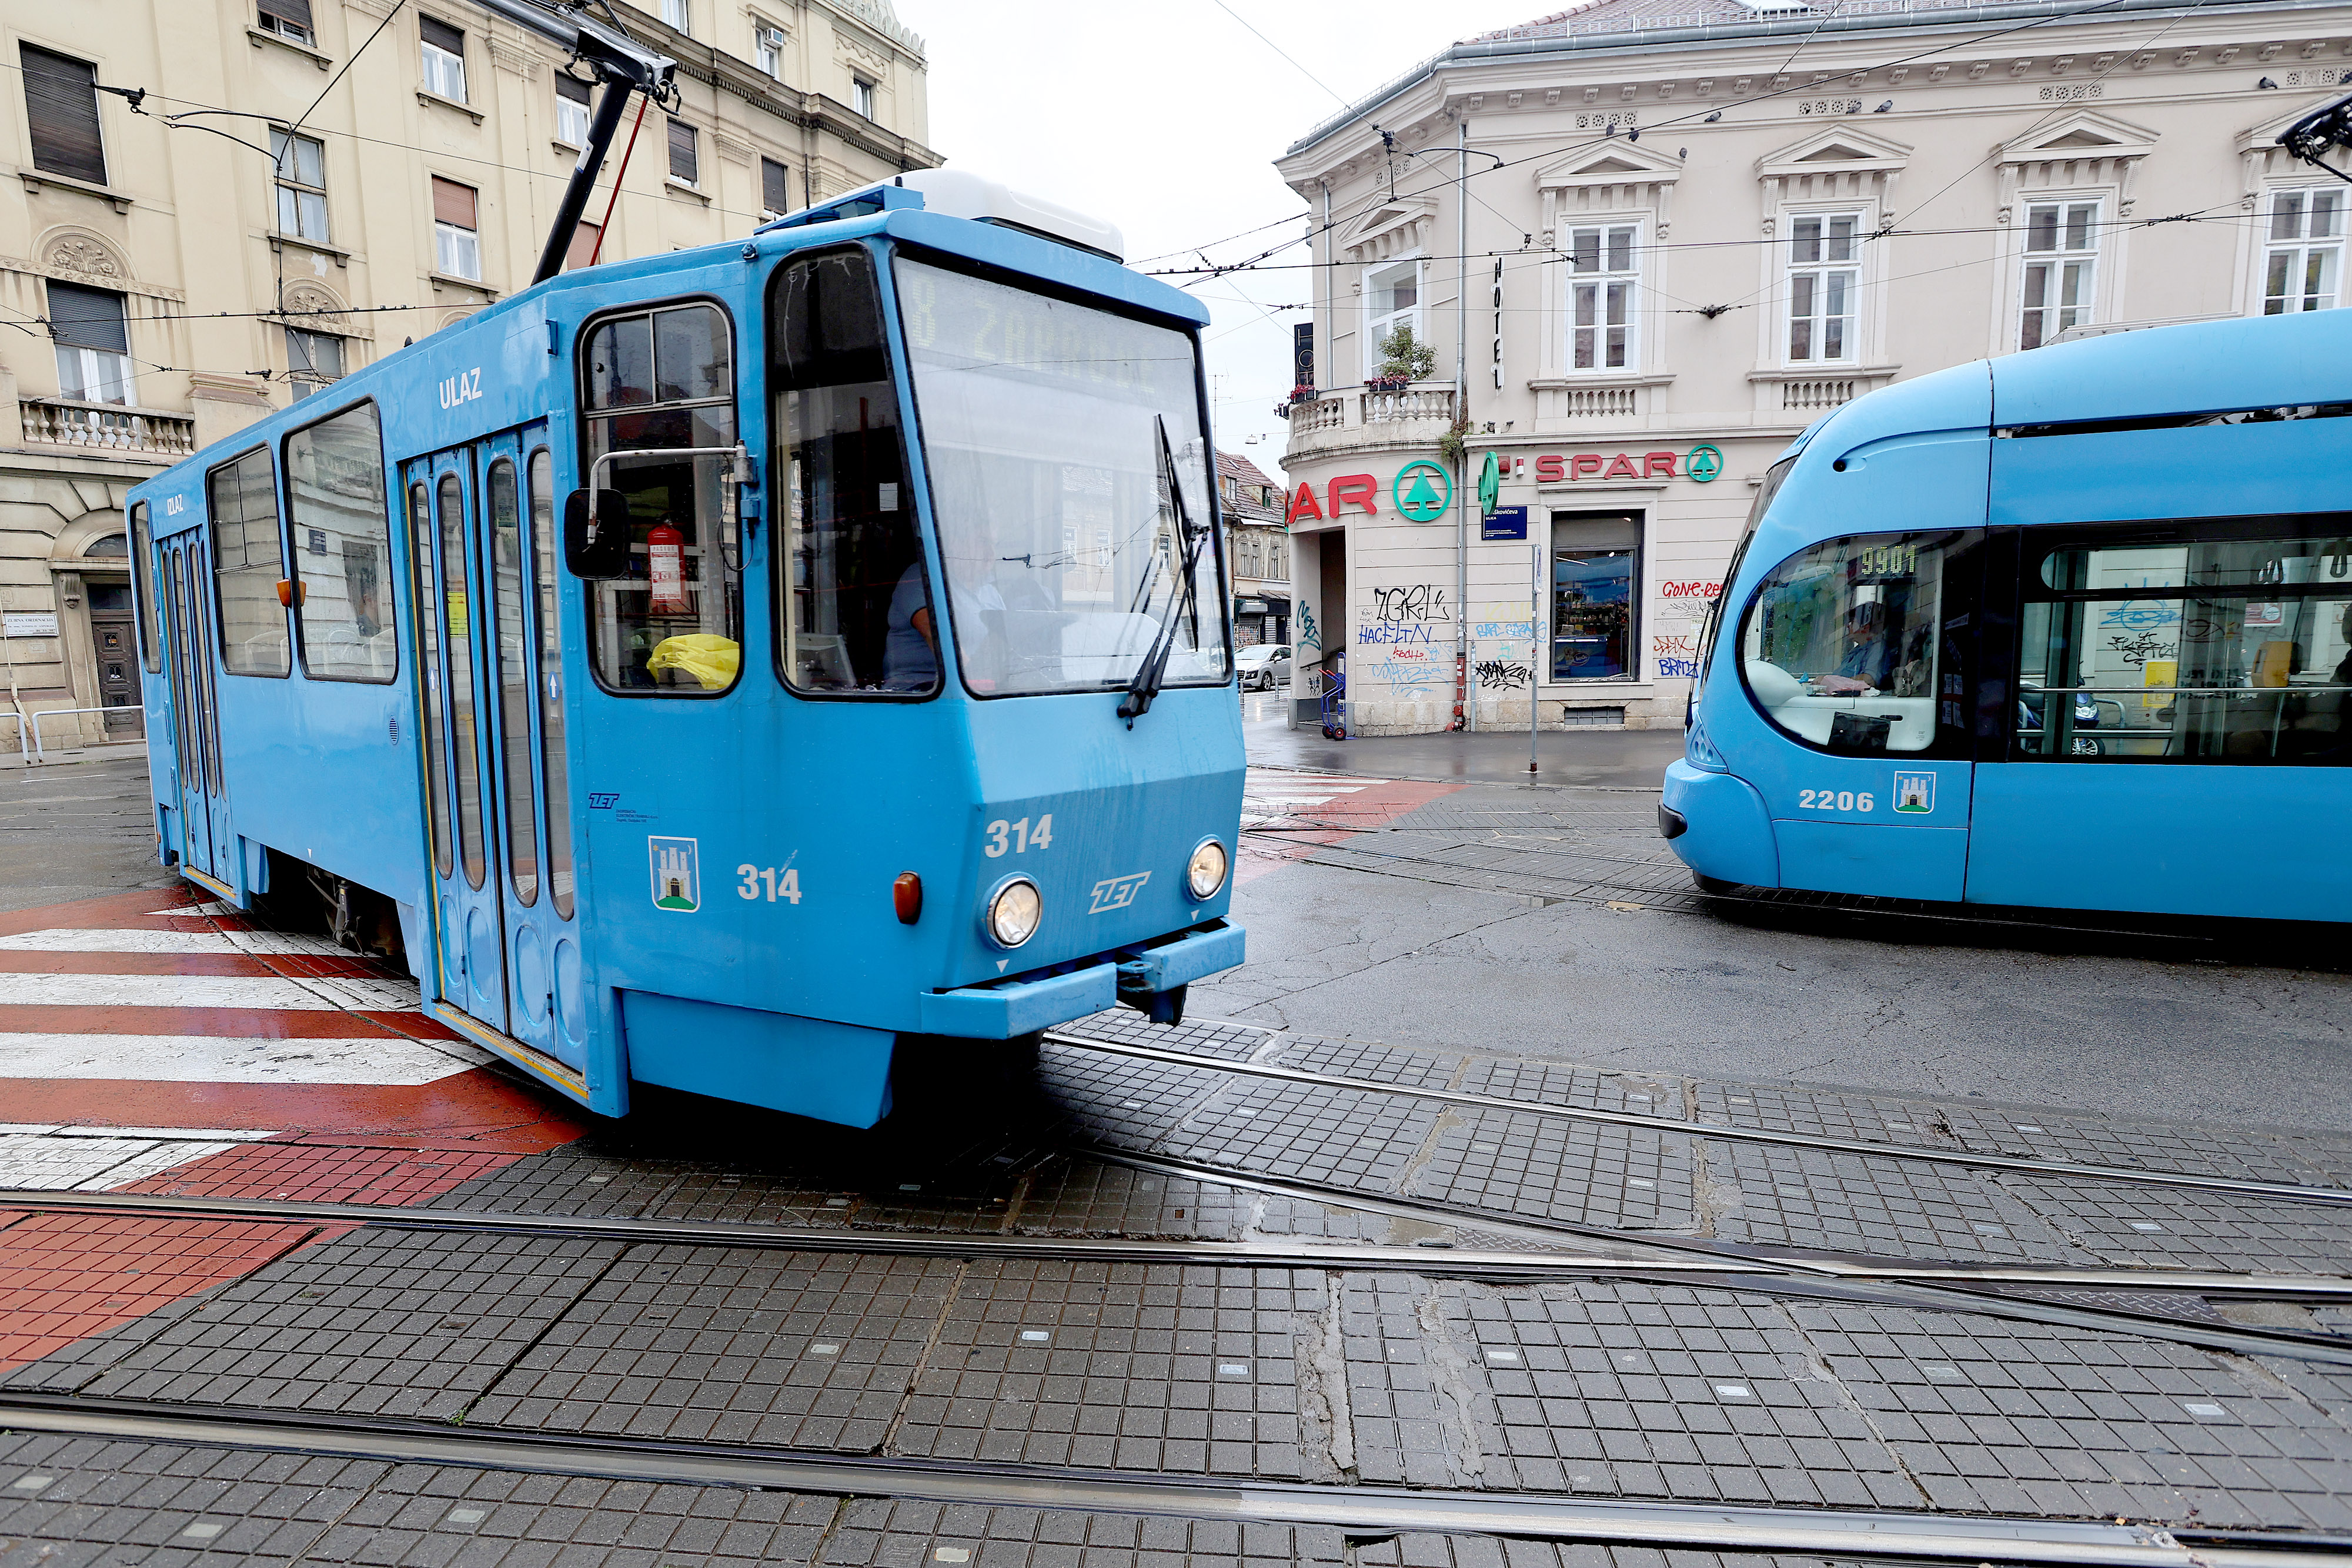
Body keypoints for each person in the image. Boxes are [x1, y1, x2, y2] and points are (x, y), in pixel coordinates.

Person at [1815, 598, 1897, 694]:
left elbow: (1869, 679)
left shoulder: (1878, 647)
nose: (1848, 627)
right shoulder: (1856, 651)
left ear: (1865, 627)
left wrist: (1831, 681)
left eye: (1852, 623)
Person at [883, 560, 938, 690]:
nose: (991, 554)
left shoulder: (989, 590)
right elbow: (933, 632)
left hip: (975, 686)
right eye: (983, 542)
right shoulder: (924, 574)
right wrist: (972, 672)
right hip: (916, 687)